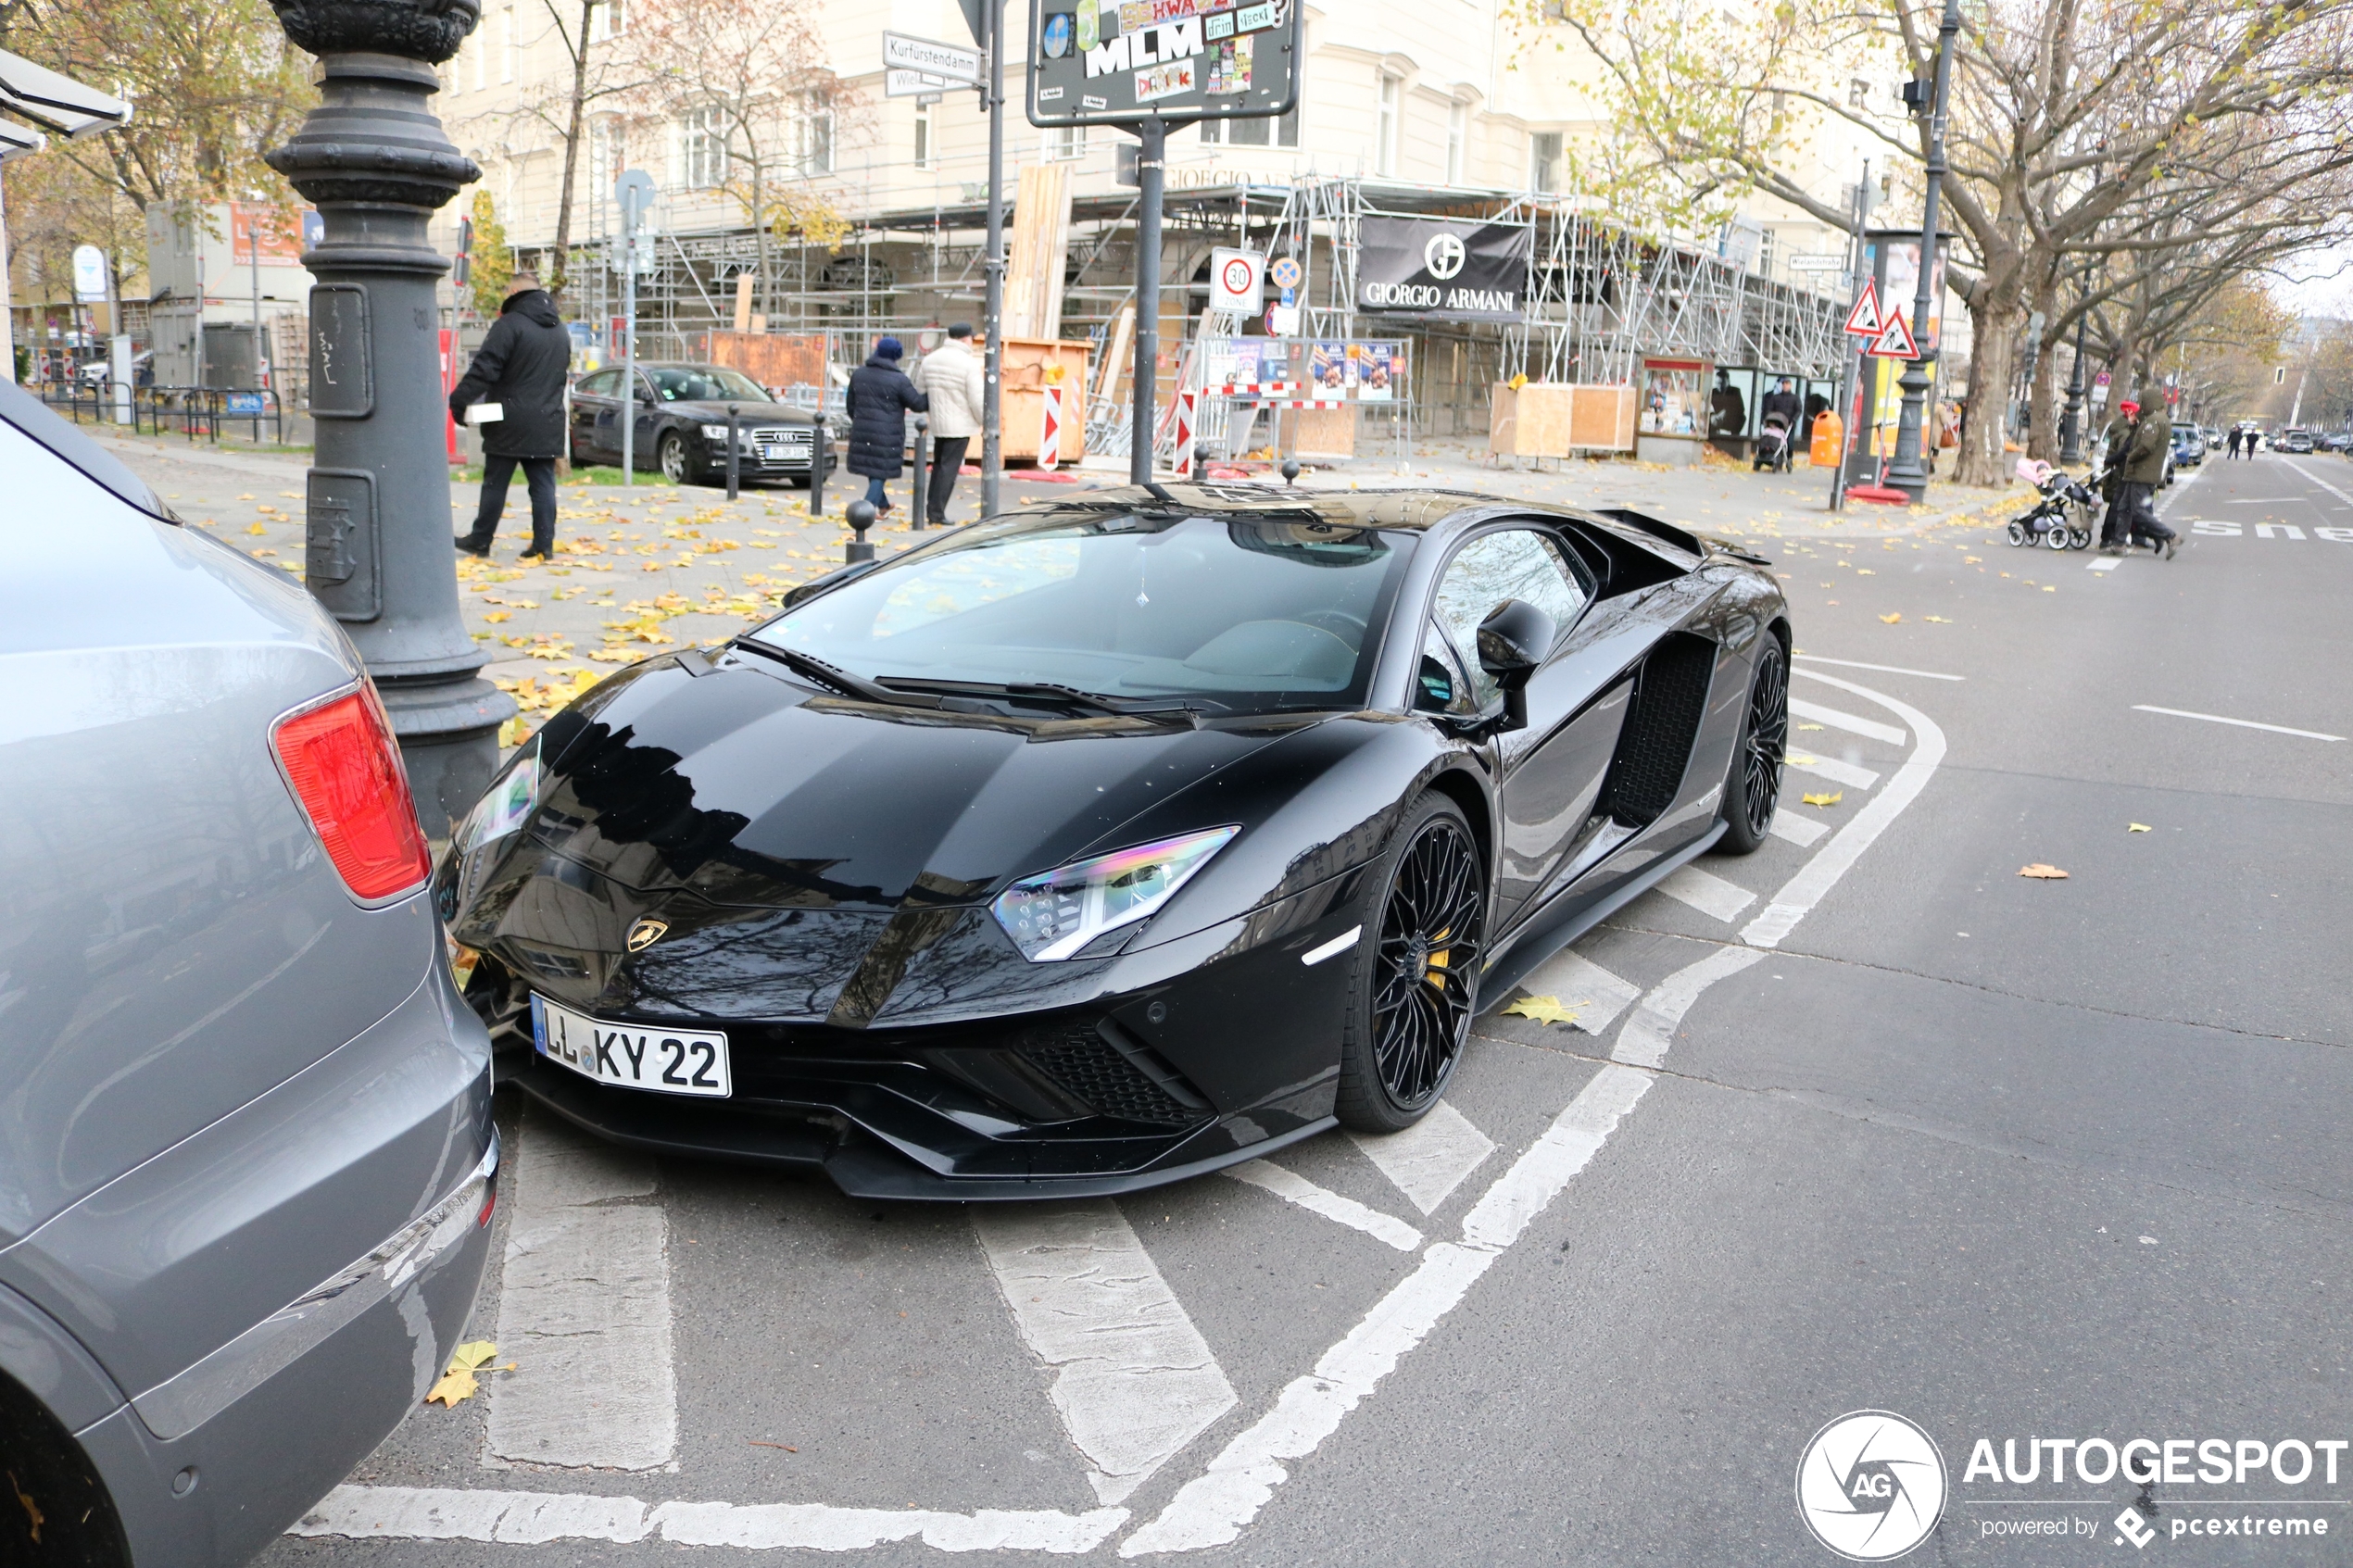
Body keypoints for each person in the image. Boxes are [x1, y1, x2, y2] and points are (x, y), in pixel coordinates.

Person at [451, 273, 573, 560]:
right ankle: (544, 545)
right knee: (543, 485)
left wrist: (459, 401)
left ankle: (480, 540)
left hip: (508, 419)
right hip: (548, 418)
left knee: (495, 482)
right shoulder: (560, 331)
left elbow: (485, 369)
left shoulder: (509, 326)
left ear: (515, 291)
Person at [845, 336, 928, 519]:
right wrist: (932, 394)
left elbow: (850, 404)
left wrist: (860, 421)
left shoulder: (859, 374)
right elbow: (917, 404)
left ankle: (883, 505)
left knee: (874, 468)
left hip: (862, 429)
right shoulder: (899, 380)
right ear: (896, 356)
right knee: (880, 471)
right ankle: (865, 510)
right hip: (888, 433)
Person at [913, 323, 985, 526]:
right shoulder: (968, 363)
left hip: (938, 423)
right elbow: (977, 399)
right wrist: (984, 422)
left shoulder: (930, 360)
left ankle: (931, 509)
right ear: (965, 339)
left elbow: (920, 391)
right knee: (948, 470)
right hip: (960, 425)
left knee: (938, 467)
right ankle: (937, 513)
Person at [2106, 398, 2178, 559]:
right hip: (2135, 473)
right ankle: (2119, 544)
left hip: (2140, 474)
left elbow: (2144, 446)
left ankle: (2170, 536)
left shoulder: (2151, 422)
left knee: (2137, 510)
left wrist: (2130, 457)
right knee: (2124, 508)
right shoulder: (2151, 421)